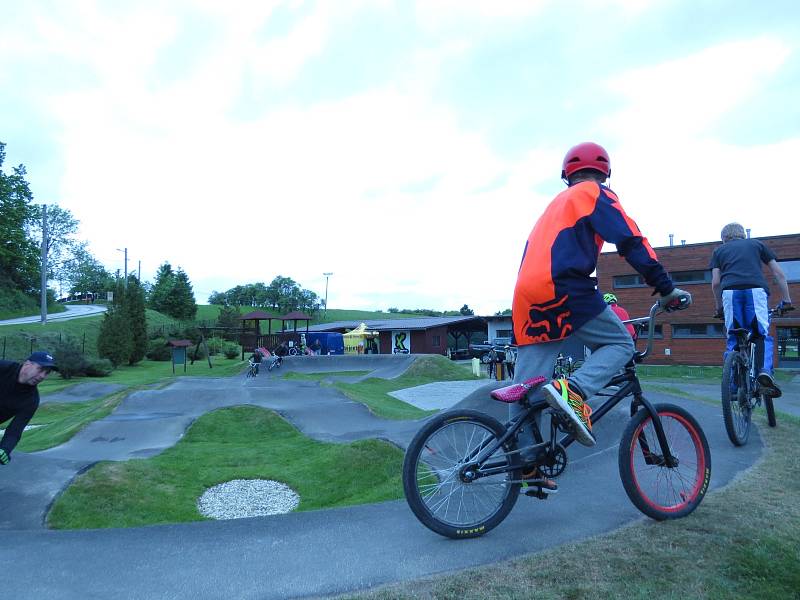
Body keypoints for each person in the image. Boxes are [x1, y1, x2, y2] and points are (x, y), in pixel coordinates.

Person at [511, 141, 690, 491]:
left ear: (567, 176)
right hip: (564, 286)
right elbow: (630, 240)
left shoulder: (552, 207)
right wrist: (665, 286)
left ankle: (527, 465)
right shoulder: (594, 193)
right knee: (621, 343)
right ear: (605, 172)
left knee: (525, 389)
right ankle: (574, 391)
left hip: (525, 295)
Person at [710, 223, 793, 396]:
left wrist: (719, 308)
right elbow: (779, 274)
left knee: (734, 337)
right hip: (755, 291)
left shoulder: (719, 251)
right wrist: (786, 300)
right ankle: (764, 371)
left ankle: (732, 385)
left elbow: (716, 283)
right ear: (743, 235)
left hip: (730, 293)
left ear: (724, 239)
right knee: (760, 334)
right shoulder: (757, 245)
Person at [0, 351, 58, 465]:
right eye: (40, 369)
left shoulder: (31, 400)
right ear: (27, 364)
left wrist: (5, 448)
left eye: (47, 373)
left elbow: (15, 430)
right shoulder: (4, 368)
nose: (42, 376)